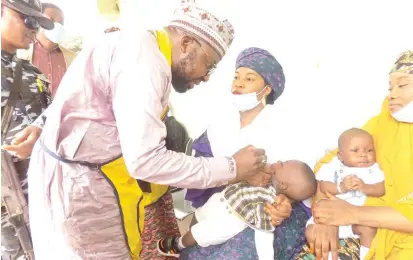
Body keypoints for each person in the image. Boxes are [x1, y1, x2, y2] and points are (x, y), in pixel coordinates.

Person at [15, 1, 271, 259]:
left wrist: (43, 125)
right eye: (210, 64)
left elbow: (76, 97)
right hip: (83, 192)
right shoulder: (144, 63)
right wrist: (232, 168)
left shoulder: (132, 41)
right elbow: (146, 160)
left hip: (72, 176)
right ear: (186, 44)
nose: (206, 77)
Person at [181, 47, 311, 260]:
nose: (238, 84)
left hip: (268, 207)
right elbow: (202, 171)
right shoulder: (219, 125)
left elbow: (299, 181)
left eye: (249, 79)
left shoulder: (285, 126)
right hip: (225, 202)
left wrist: (283, 202)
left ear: (267, 89)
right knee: (196, 248)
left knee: (245, 248)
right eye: (236, 77)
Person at [298, 50, 413, 260]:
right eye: (390, 87)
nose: (392, 94)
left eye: (403, 85)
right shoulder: (384, 123)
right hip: (365, 231)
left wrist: (352, 214)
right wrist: (326, 214)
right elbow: (334, 160)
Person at [158, 160, 317, 259]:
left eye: (283, 164)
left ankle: (178, 245)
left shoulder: (268, 204)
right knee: (198, 217)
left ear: (283, 185)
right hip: (218, 205)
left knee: (197, 233)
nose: (279, 160)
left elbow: (264, 235)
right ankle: (186, 242)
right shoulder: (264, 181)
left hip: (221, 225)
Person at [1, 0, 53, 259]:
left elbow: (55, 118)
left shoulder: (32, 72)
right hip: (8, 212)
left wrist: (42, 128)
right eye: (29, 20)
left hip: (45, 200)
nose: (35, 30)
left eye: (38, 24)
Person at [307, 128, 385, 259]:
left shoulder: (373, 169)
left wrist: (365, 187)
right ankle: (331, 255)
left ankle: (366, 256)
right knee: (311, 231)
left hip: (355, 219)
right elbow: (323, 186)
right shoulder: (333, 166)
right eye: (355, 150)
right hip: (331, 214)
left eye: (369, 150)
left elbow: (381, 189)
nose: (363, 155)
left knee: (369, 229)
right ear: (340, 156)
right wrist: (340, 187)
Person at [17, 2, 76, 98]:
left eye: (61, 23)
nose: (57, 26)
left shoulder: (73, 58)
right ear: (38, 21)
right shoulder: (19, 53)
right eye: (51, 20)